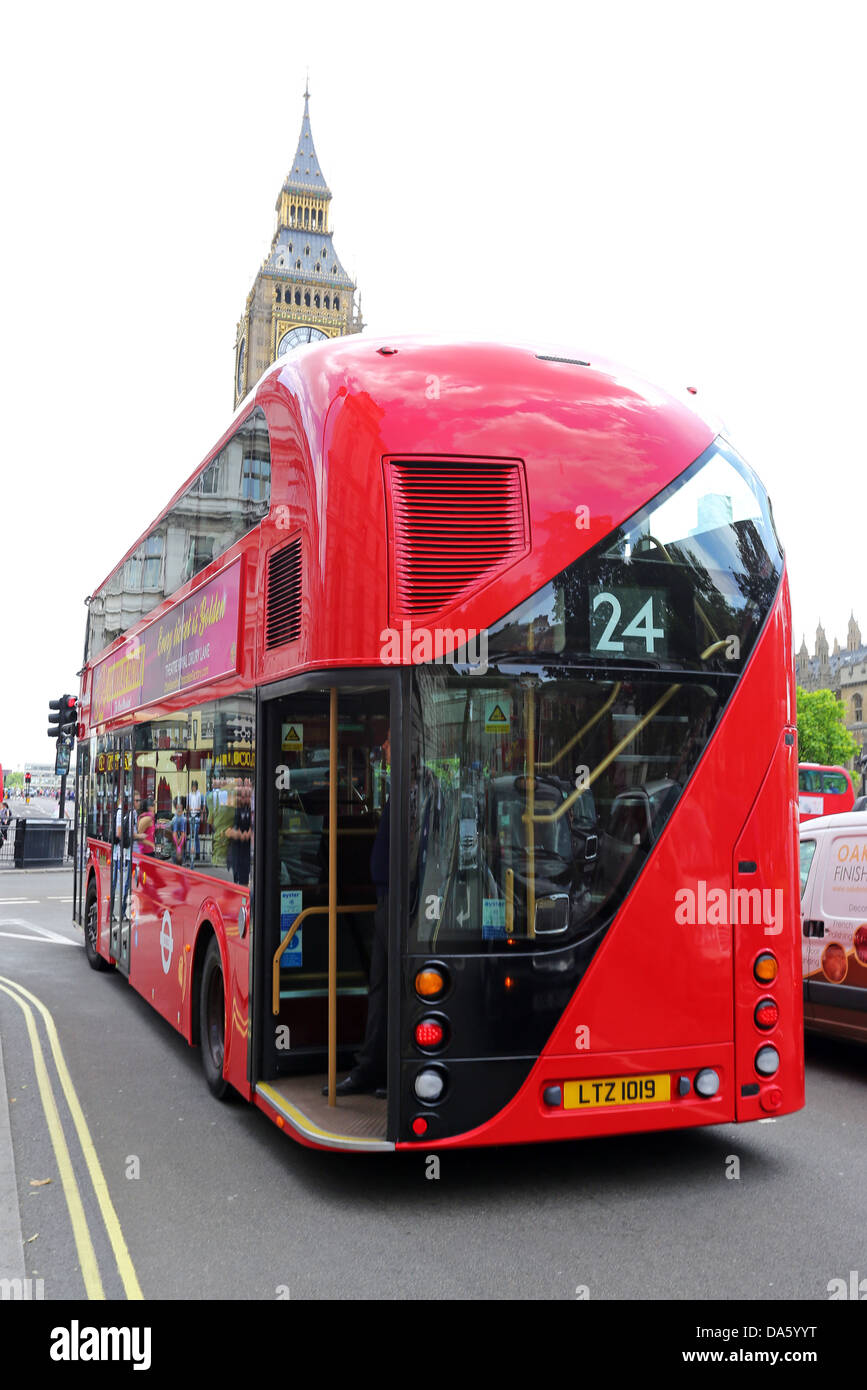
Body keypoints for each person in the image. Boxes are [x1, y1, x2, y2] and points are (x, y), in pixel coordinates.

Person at [326, 729, 390, 1099]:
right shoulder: (399, 786)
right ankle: (372, 1068)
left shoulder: (417, 788)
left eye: (388, 739)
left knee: (389, 987)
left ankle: (385, 1070)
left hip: (398, 901)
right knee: (379, 986)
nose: (382, 745)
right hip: (384, 898)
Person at [187, 779, 203, 862]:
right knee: (191, 836)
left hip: (196, 816)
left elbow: (199, 808)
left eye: (194, 786)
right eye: (192, 786)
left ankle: (197, 853)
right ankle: (190, 853)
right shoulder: (189, 795)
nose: (193, 788)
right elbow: (188, 807)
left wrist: (193, 809)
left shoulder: (199, 795)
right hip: (191, 816)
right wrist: (192, 809)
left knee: (195, 835)